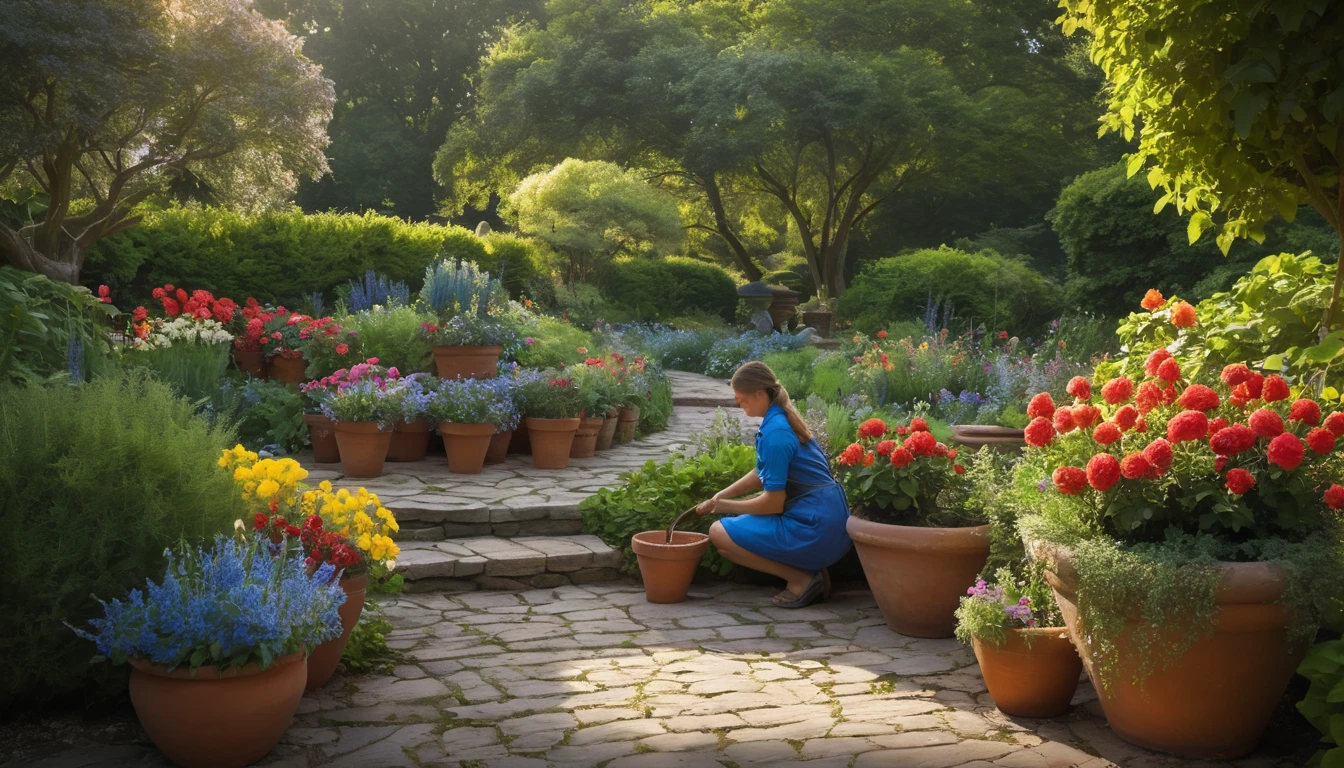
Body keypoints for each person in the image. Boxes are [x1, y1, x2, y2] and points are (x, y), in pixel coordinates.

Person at [696, 361, 851, 608]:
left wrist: (727, 506)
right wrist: (721, 495)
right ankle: (811, 571)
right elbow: (763, 473)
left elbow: (773, 503)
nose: (740, 404)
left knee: (719, 532)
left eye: (742, 399)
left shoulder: (776, 434)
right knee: (727, 526)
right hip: (827, 519)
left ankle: (802, 579)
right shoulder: (780, 420)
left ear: (760, 394)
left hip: (816, 527)